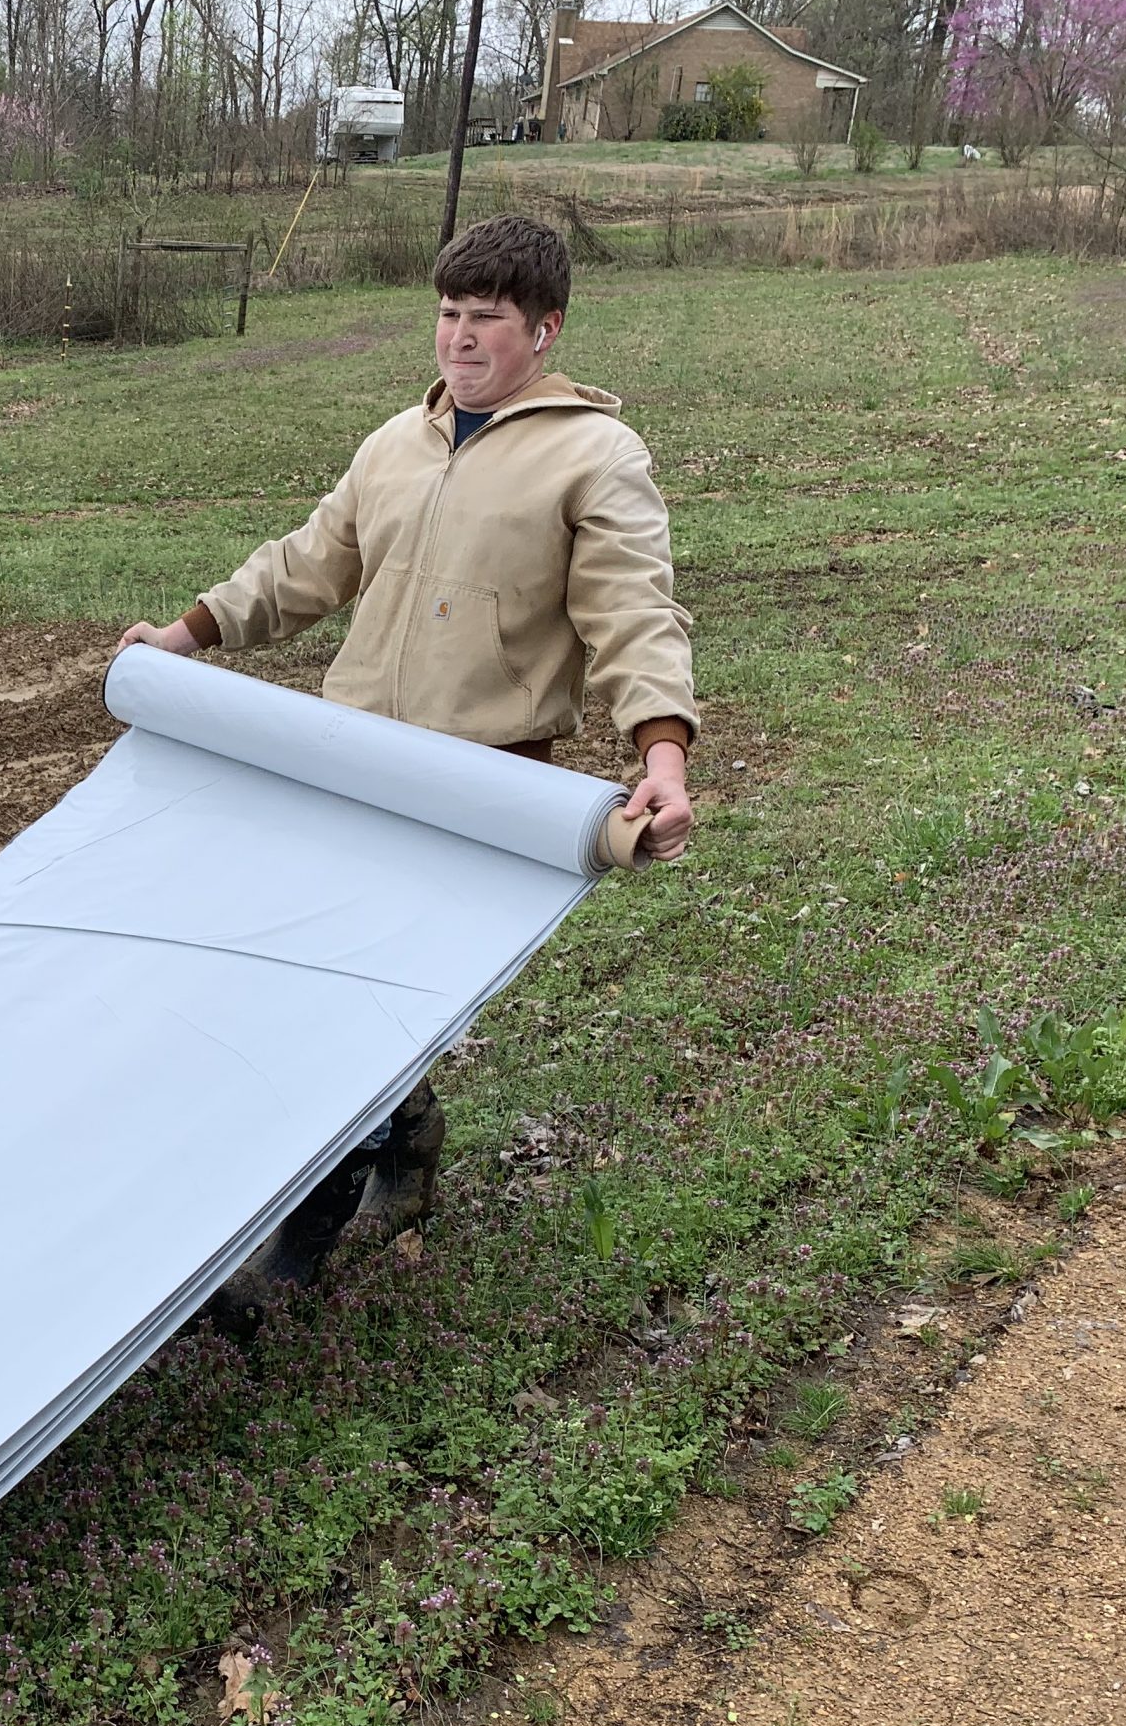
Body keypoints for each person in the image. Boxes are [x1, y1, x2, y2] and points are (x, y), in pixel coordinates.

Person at [116, 212, 698, 1330]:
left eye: (488, 319)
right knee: (308, 978)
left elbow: (631, 613)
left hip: (478, 783)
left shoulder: (593, 457)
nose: (461, 338)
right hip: (354, 766)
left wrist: (659, 751)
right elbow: (308, 563)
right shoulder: (395, 444)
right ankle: (407, 1135)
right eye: (447, 314)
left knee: (365, 1007)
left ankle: (300, 1242)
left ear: (545, 328)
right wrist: (189, 635)